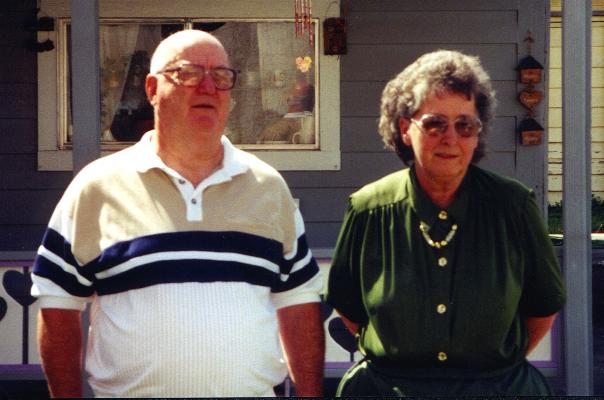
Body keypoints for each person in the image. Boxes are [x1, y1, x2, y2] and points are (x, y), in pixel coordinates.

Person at [31, 29, 324, 398]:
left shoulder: (267, 186)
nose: (208, 87)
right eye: (187, 73)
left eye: (221, 76)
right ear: (152, 89)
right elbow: (58, 303)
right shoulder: (98, 186)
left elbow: (298, 302)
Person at [325, 50, 566, 397]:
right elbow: (348, 307)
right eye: (435, 123)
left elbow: (543, 306)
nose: (450, 138)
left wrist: (490, 371)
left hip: (496, 389)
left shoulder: (513, 206)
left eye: (465, 125)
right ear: (406, 129)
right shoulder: (369, 209)